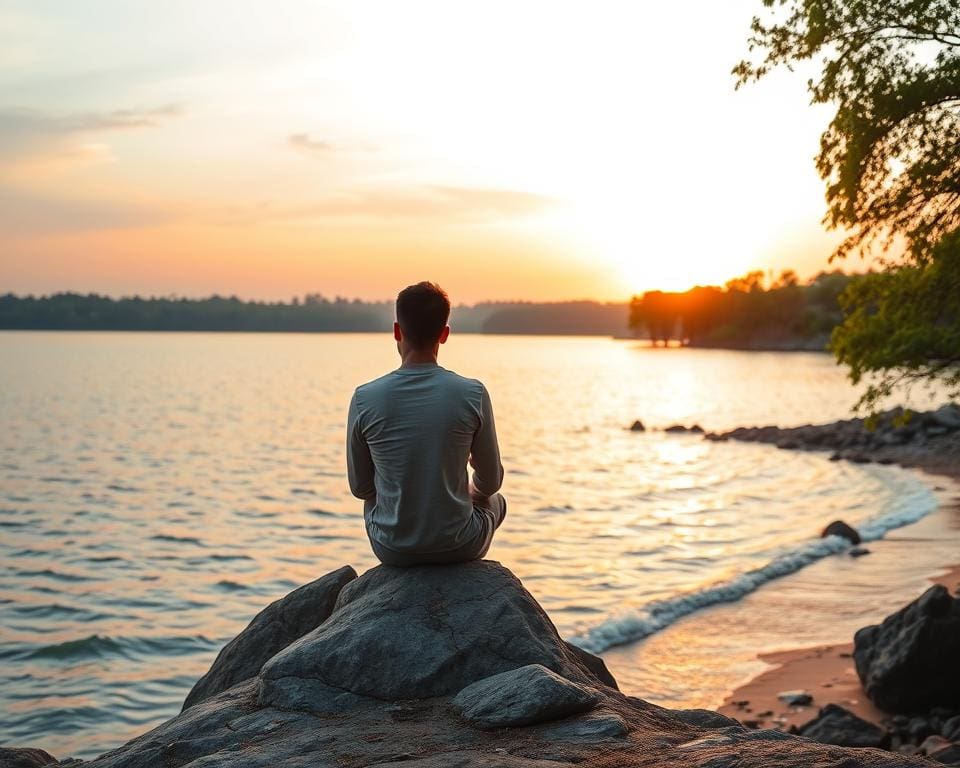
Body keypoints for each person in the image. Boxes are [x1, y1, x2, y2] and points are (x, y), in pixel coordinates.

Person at [346, 281, 506, 566]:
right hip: (460, 545)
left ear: (397, 331)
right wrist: (470, 494)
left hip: (392, 550)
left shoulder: (364, 398)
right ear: (444, 334)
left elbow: (362, 489)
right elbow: (490, 482)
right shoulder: (472, 393)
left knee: (374, 501)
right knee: (497, 502)